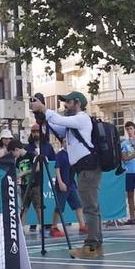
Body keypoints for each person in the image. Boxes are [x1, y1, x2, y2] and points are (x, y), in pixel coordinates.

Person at [36, 91, 101, 258]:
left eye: (68, 102)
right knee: (91, 207)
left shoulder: (82, 118)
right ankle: (95, 244)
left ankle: (92, 246)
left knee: (90, 208)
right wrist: (41, 115)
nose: (65, 105)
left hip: (88, 168)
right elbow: (55, 126)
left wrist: (44, 107)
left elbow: (59, 120)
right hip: (82, 169)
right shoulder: (73, 124)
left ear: (77, 103)